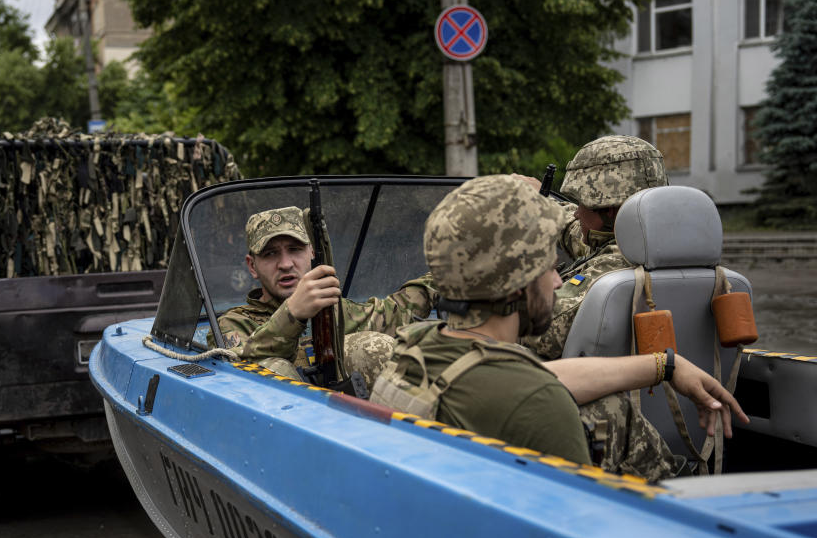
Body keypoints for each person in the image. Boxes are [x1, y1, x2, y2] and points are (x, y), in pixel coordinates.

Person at [370, 175, 747, 480]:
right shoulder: (538, 408)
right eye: (550, 267)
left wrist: (666, 365)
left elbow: (535, 376)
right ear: (517, 284)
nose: (556, 282)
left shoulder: (414, 348)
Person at [214, 205, 438, 388]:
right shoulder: (235, 323)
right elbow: (235, 370)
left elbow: (400, 310)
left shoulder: (334, 311)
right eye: (270, 254)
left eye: (294, 249)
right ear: (252, 266)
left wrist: (449, 273)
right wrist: (292, 314)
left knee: (375, 346)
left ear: (312, 252)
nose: (285, 264)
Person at [520, 135, 669, 360]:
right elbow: (574, 230)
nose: (577, 213)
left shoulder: (619, 264)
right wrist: (543, 203)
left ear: (609, 210)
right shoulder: (663, 248)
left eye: (581, 204)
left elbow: (539, 331)